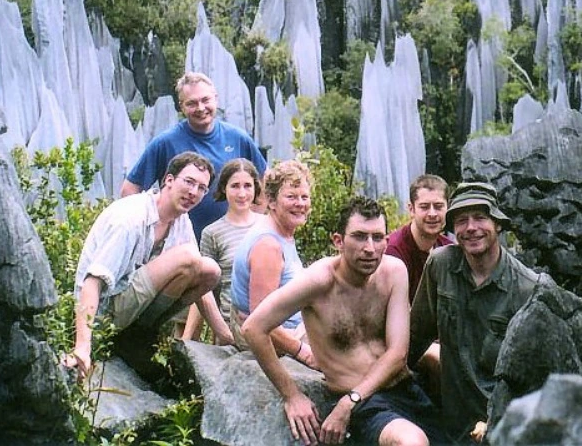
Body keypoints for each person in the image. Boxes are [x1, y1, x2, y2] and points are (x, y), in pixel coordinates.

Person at [242, 196, 446, 446]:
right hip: (365, 405)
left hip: (405, 389)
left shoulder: (394, 272)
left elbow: (397, 353)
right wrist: (292, 395)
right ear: (338, 241)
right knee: (411, 442)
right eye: (359, 236)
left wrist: (350, 401)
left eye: (378, 237)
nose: (370, 248)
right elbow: (253, 327)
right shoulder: (318, 281)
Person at [65, 152, 233, 381]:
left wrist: (225, 336)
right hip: (104, 312)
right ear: (169, 180)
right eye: (189, 182)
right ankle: (127, 337)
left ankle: (141, 334)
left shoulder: (181, 221)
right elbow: (92, 282)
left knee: (209, 270)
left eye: (202, 188)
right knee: (189, 256)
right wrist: (82, 346)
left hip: (133, 309)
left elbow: (199, 278)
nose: (194, 192)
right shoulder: (130, 218)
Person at [409, 182, 540, 444]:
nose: (471, 228)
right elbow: (415, 337)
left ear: (497, 224)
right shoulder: (441, 265)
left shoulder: (527, 287)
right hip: (451, 424)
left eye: (480, 217)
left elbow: (534, 377)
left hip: (503, 428)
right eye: (461, 220)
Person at [120, 72, 267, 240]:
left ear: (215, 99)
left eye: (205, 100)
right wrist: (146, 233)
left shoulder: (238, 138)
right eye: (192, 103)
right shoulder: (165, 143)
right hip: (177, 244)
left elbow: (265, 179)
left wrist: (252, 223)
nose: (201, 108)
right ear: (181, 106)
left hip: (229, 244)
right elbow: (130, 190)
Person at [230, 159, 314, 366]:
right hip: (281, 339)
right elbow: (259, 322)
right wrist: (303, 352)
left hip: (293, 326)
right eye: (291, 197)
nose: (300, 204)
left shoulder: (282, 232)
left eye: (305, 197)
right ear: (272, 201)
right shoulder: (268, 246)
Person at [181, 158, 264, 341]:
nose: (242, 193)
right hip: (231, 332)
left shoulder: (269, 226)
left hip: (269, 327)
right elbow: (202, 289)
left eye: (247, 186)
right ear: (224, 188)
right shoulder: (212, 233)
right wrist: (188, 338)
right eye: (235, 186)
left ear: (256, 189)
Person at [385, 174, 454, 303]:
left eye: (438, 206)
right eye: (424, 207)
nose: (432, 214)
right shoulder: (394, 251)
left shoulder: (449, 249)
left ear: (448, 208)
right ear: (411, 209)